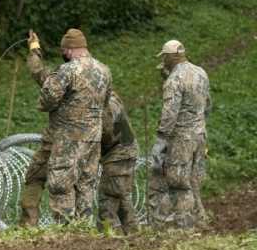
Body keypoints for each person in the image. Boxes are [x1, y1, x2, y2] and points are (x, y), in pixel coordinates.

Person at [20, 29, 112, 224]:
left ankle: (65, 231)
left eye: (63, 50)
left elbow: (47, 99)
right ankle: (83, 228)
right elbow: (105, 104)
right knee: (85, 184)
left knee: (61, 184)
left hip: (67, 138)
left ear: (69, 50)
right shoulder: (104, 70)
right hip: (92, 138)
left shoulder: (67, 70)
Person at [149, 40, 211, 228]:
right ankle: (200, 220)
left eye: (164, 57)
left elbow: (169, 115)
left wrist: (161, 141)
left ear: (169, 57)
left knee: (178, 183)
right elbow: (208, 105)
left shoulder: (174, 80)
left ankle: (185, 228)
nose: (163, 62)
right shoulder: (201, 72)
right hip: (200, 135)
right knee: (193, 180)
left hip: (181, 139)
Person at [97, 92, 139, 234]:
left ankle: (111, 235)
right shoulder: (111, 98)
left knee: (108, 197)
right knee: (122, 195)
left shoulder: (106, 105)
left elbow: (106, 132)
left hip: (118, 154)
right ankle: (132, 232)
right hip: (124, 151)